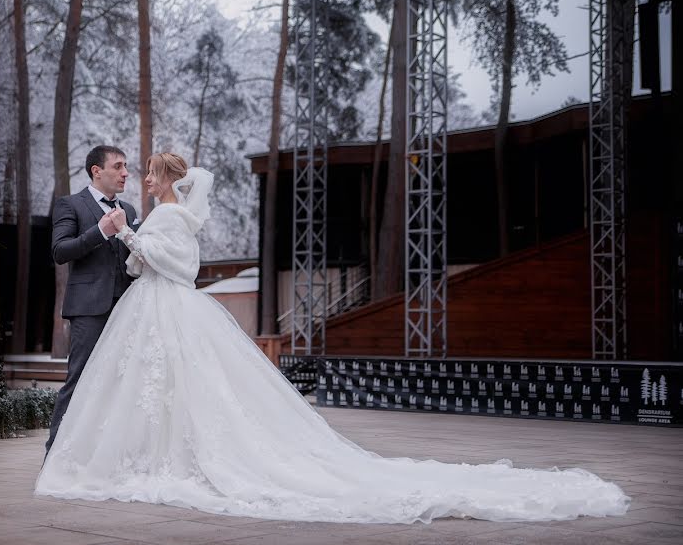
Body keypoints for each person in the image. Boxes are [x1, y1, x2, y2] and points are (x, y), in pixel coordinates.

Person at [36, 152, 629, 524]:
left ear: (165, 180)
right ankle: (134, 454)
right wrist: (130, 246)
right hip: (146, 309)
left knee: (174, 390)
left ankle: (150, 459)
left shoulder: (165, 218)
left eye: (146, 172)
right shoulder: (160, 216)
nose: (137, 177)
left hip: (165, 309)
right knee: (151, 391)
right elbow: (146, 265)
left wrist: (130, 241)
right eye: (130, 171)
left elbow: (176, 267)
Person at [45, 145, 138, 454]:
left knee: (121, 383)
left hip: (126, 308)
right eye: (118, 166)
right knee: (80, 379)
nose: (125, 173)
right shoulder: (70, 204)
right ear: (97, 171)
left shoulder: (131, 212)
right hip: (88, 309)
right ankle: (54, 455)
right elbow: (60, 251)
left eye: (126, 167)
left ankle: (103, 455)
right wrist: (100, 230)